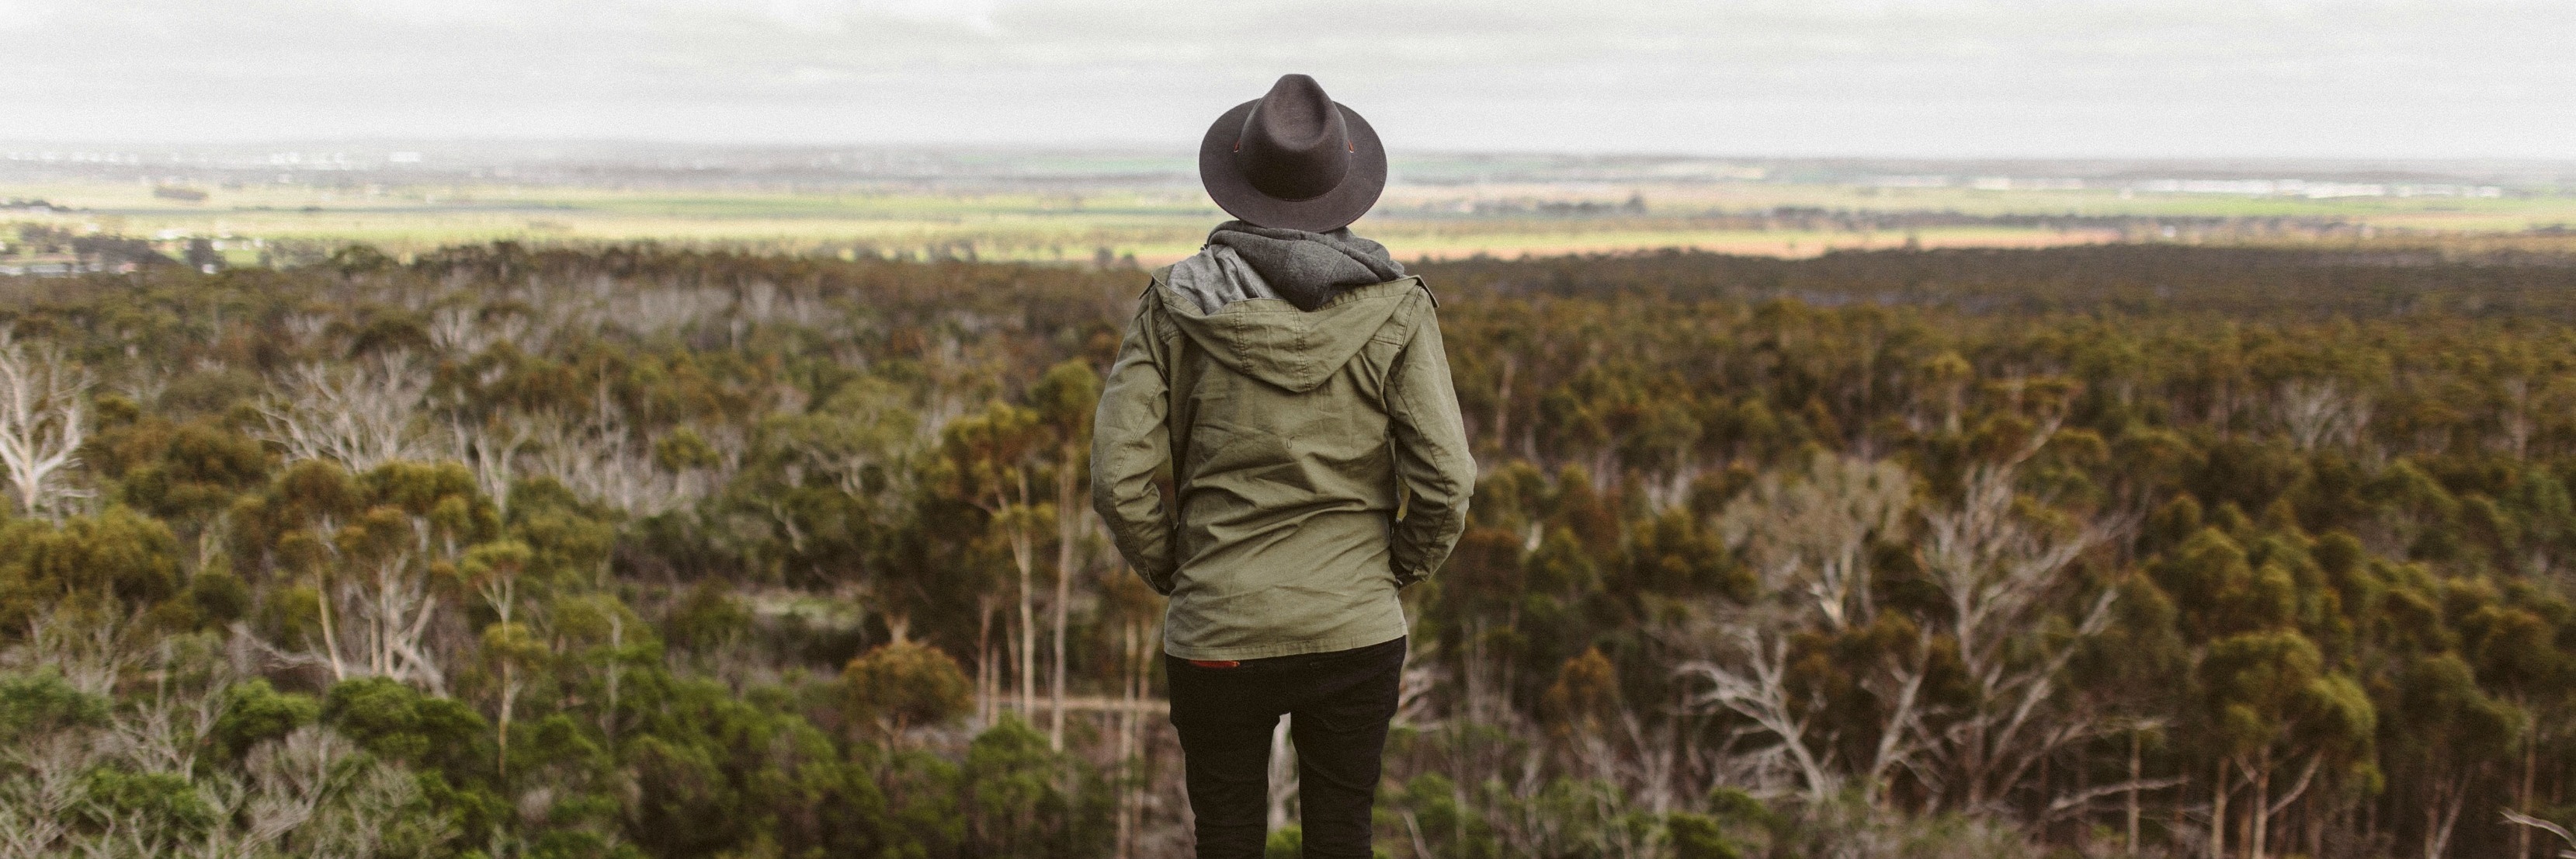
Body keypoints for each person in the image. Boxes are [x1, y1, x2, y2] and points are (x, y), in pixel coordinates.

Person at [1089, 73, 1478, 859]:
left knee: (1226, 835)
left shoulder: (1173, 303)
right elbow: (1448, 477)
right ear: (1344, 187)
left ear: (1241, 184)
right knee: (1342, 832)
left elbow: (1115, 475)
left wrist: (1180, 567)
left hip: (1218, 624)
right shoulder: (1399, 308)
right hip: (1354, 623)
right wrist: (1390, 569)